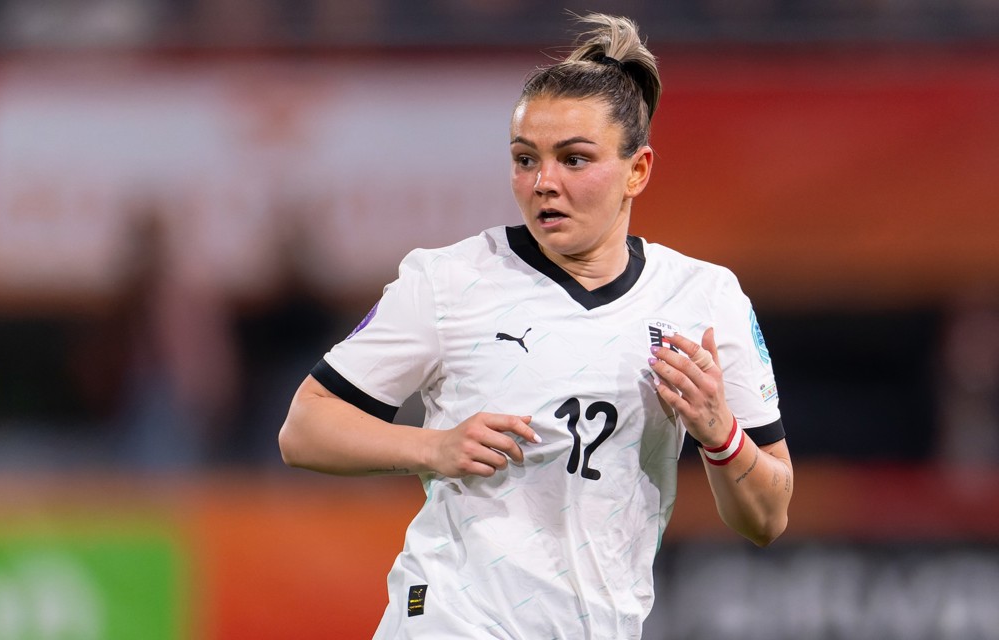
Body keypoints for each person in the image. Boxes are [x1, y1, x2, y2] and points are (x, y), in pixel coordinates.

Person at [279, 13, 793, 639]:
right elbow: (305, 427)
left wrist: (721, 435)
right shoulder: (449, 280)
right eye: (526, 159)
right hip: (448, 620)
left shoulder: (704, 298)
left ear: (639, 170)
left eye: (574, 159)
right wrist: (433, 447)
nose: (544, 182)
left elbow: (767, 516)